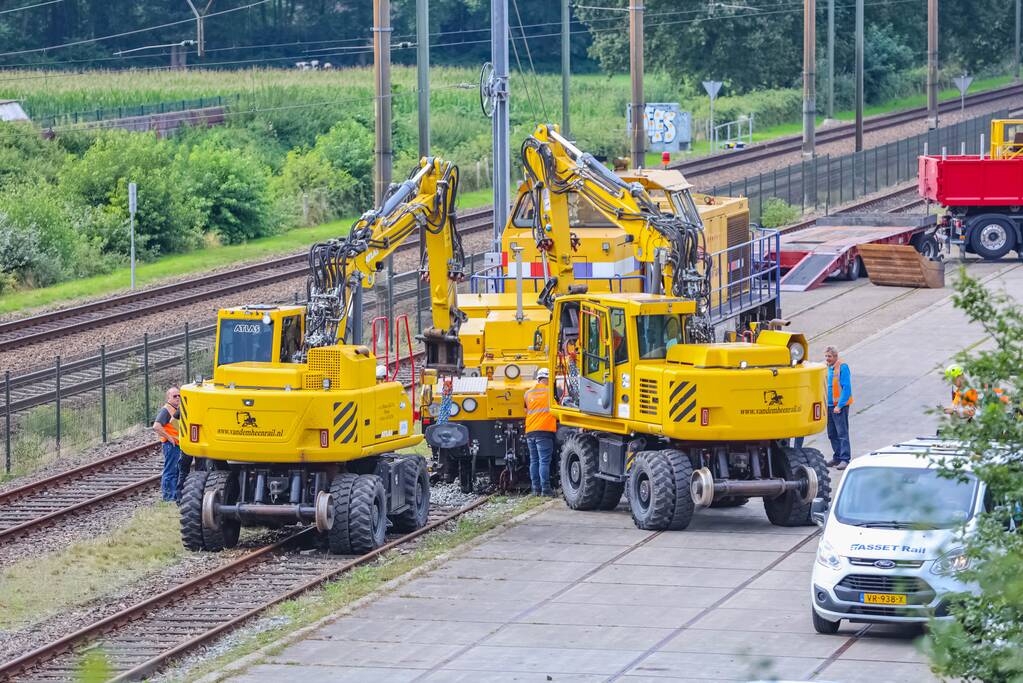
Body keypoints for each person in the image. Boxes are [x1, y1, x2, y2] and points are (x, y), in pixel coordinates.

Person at [524, 368, 557, 496]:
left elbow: (526, 411)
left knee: (534, 460)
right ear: (548, 378)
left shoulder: (528, 393)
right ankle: (546, 490)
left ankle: (535, 489)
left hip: (530, 431)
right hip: (544, 430)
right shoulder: (551, 392)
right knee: (544, 461)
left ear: (538, 378)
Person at [824, 346, 853, 470]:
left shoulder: (843, 367)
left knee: (842, 433)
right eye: (826, 356)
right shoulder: (827, 368)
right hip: (829, 406)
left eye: (829, 356)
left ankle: (845, 459)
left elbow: (846, 388)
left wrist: (839, 406)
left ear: (835, 356)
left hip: (839, 407)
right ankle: (837, 457)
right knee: (832, 433)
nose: (827, 359)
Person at [153, 386, 183, 502]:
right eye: (174, 396)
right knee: (170, 471)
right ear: (168, 398)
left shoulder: (176, 409)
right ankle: (168, 497)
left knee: (176, 470)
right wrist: (169, 438)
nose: (177, 398)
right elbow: (156, 426)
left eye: (179, 395)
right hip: (171, 445)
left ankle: (174, 496)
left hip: (176, 445)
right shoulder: (166, 410)